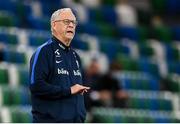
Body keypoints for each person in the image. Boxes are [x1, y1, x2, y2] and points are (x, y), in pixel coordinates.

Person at [29, 8, 90, 123]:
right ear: (54, 25)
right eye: (67, 21)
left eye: (74, 22)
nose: (71, 25)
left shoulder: (76, 57)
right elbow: (36, 86)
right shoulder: (44, 52)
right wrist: (68, 90)